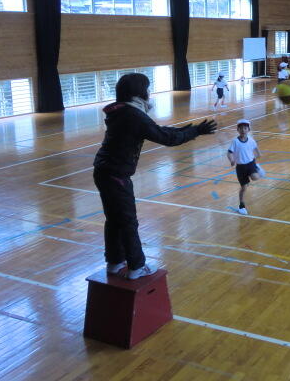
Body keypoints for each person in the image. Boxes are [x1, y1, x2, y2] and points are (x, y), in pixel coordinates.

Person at [93, 73, 217, 279]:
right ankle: (136, 267)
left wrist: (188, 129)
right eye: (147, 88)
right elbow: (166, 138)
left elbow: (156, 129)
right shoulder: (134, 115)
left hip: (103, 171)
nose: (149, 93)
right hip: (116, 175)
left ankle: (114, 262)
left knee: (114, 219)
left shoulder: (123, 111)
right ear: (138, 93)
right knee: (127, 221)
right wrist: (195, 132)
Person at [227, 119, 265, 215]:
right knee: (244, 187)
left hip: (251, 163)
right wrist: (231, 160)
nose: (243, 130)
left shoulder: (251, 140)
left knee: (255, 177)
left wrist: (258, 154)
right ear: (238, 130)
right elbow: (229, 153)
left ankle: (257, 168)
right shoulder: (235, 142)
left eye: (245, 128)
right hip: (240, 167)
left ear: (248, 129)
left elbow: (256, 149)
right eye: (241, 128)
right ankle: (241, 205)